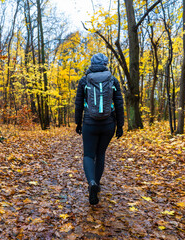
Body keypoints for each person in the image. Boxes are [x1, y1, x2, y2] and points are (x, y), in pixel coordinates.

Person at [75, 53, 124, 205]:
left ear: (91, 63)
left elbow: (78, 104)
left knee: (89, 155)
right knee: (100, 154)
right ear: (105, 63)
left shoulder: (84, 80)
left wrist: (78, 123)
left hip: (90, 123)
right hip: (108, 124)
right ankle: (96, 183)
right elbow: (119, 103)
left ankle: (91, 183)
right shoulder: (113, 79)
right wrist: (120, 125)